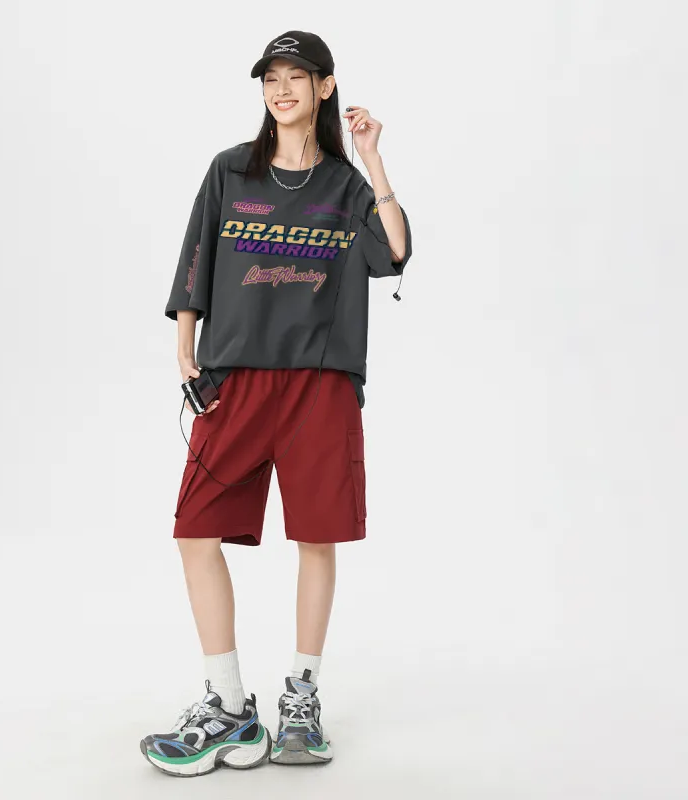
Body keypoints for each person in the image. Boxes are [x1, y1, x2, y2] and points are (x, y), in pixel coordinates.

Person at [140, 30, 413, 778]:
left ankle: (301, 699)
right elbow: (197, 253)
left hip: (320, 382)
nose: (282, 89)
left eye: (298, 76)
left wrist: (373, 159)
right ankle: (229, 708)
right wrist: (186, 341)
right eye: (271, 78)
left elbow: (392, 253)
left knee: (317, 537)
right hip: (236, 378)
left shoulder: (347, 186)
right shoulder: (231, 170)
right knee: (196, 531)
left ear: (326, 87)